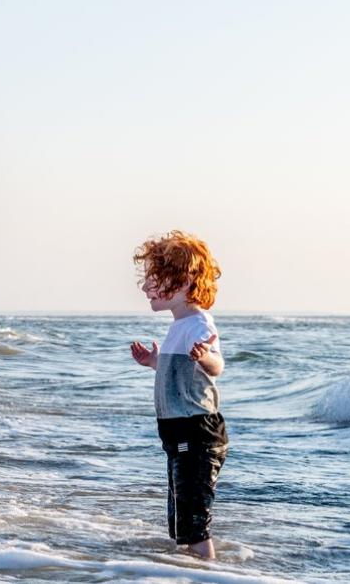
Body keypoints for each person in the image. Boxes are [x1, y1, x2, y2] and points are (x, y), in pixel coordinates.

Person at [127, 230, 227, 559]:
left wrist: (205, 357)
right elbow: (180, 373)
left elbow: (216, 366)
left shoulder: (199, 325)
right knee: (181, 517)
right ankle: (185, 568)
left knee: (194, 519)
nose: (145, 287)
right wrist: (154, 362)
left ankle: (208, 568)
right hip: (179, 433)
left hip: (197, 431)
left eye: (153, 278)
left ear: (183, 281)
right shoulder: (178, 327)